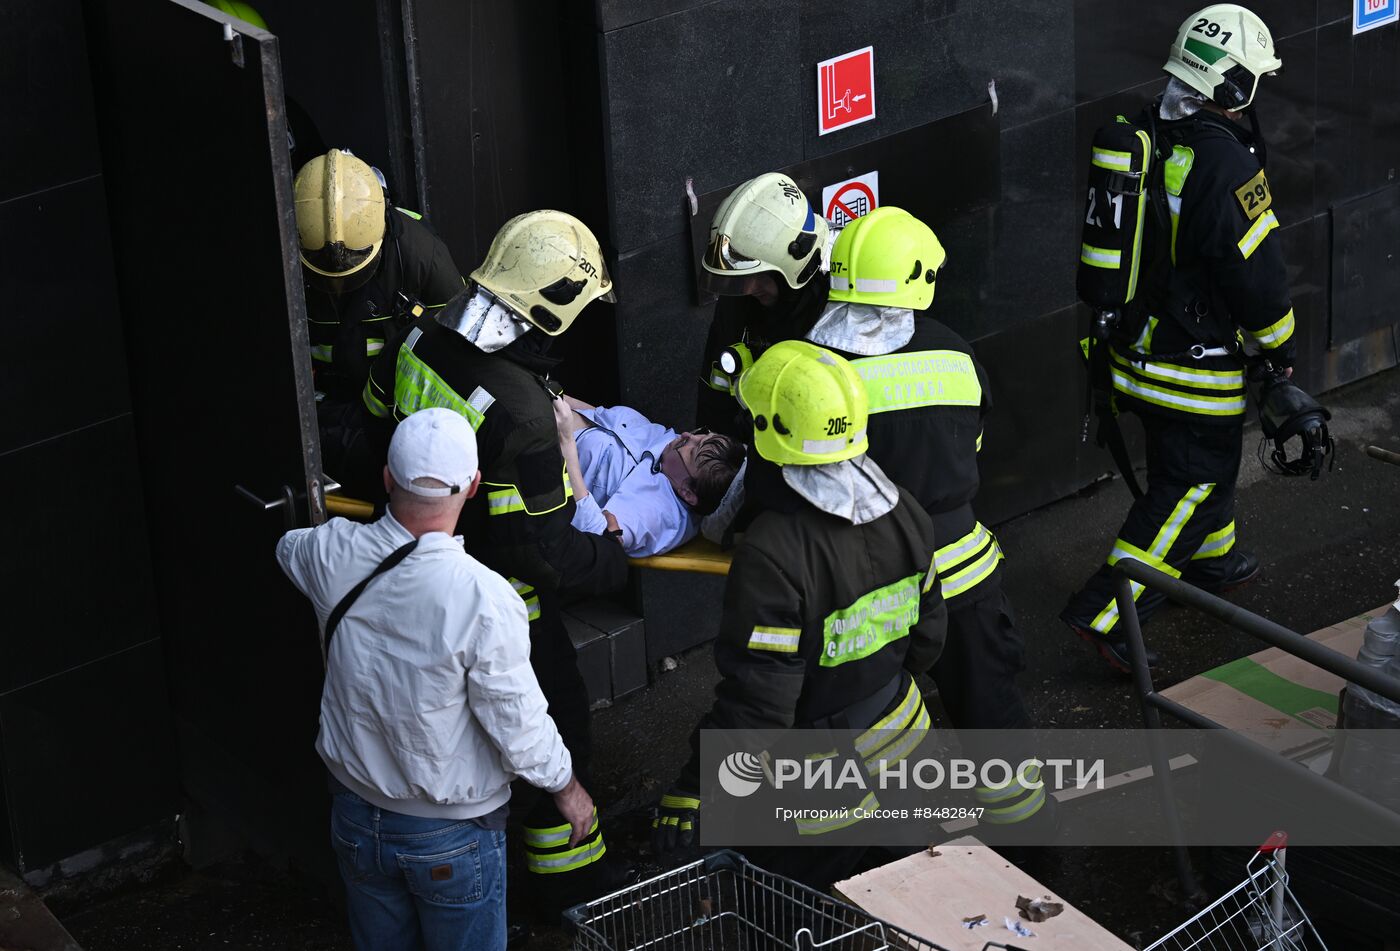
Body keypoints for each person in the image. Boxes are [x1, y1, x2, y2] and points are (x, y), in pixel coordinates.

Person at [361, 210, 627, 910]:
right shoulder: (523, 419)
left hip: (404, 569)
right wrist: (613, 560)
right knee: (554, 730)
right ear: (552, 307)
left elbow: (370, 420)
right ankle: (571, 885)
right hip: (501, 603)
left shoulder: (419, 330)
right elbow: (545, 554)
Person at [275, 407, 595, 951]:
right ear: (472, 487)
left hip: (355, 817)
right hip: (451, 836)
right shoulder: (485, 598)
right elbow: (516, 722)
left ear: (385, 480)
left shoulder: (332, 554)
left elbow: (289, 548)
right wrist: (566, 788)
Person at [652, 340, 946, 889]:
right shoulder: (904, 507)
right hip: (906, 747)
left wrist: (698, 784)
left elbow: (762, 705)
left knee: (796, 911)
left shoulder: (773, 550)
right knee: (910, 906)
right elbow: (929, 637)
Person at [1061, 4, 1297, 670]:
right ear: (1231, 86)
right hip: (1189, 367)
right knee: (1193, 482)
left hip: (1128, 350)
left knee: (1183, 467)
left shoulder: (1139, 131)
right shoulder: (1226, 164)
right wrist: (1281, 352)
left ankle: (1211, 560)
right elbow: (1260, 280)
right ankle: (1104, 612)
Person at [803, 206, 1049, 831]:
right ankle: (1032, 841)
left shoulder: (807, 369)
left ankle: (911, 863)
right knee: (991, 714)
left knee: (875, 729)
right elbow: (970, 453)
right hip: (961, 571)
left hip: (866, 587)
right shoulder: (955, 356)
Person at [293, 148, 463, 492]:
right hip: (318, 409)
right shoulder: (287, 248)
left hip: (392, 412)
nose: (338, 282)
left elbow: (458, 348)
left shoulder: (421, 254)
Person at [694, 173, 831, 438]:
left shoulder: (835, 306)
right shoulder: (739, 302)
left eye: (757, 278)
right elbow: (714, 392)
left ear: (796, 265)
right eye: (739, 281)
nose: (747, 290)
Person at [551, 395, 744, 556]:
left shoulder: (657, 515)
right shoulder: (672, 452)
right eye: (702, 434)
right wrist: (552, 390)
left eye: (692, 450)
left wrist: (566, 442)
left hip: (539, 452)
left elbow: (598, 540)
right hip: (550, 409)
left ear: (688, 493)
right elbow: (601, 416)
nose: (687, 436)